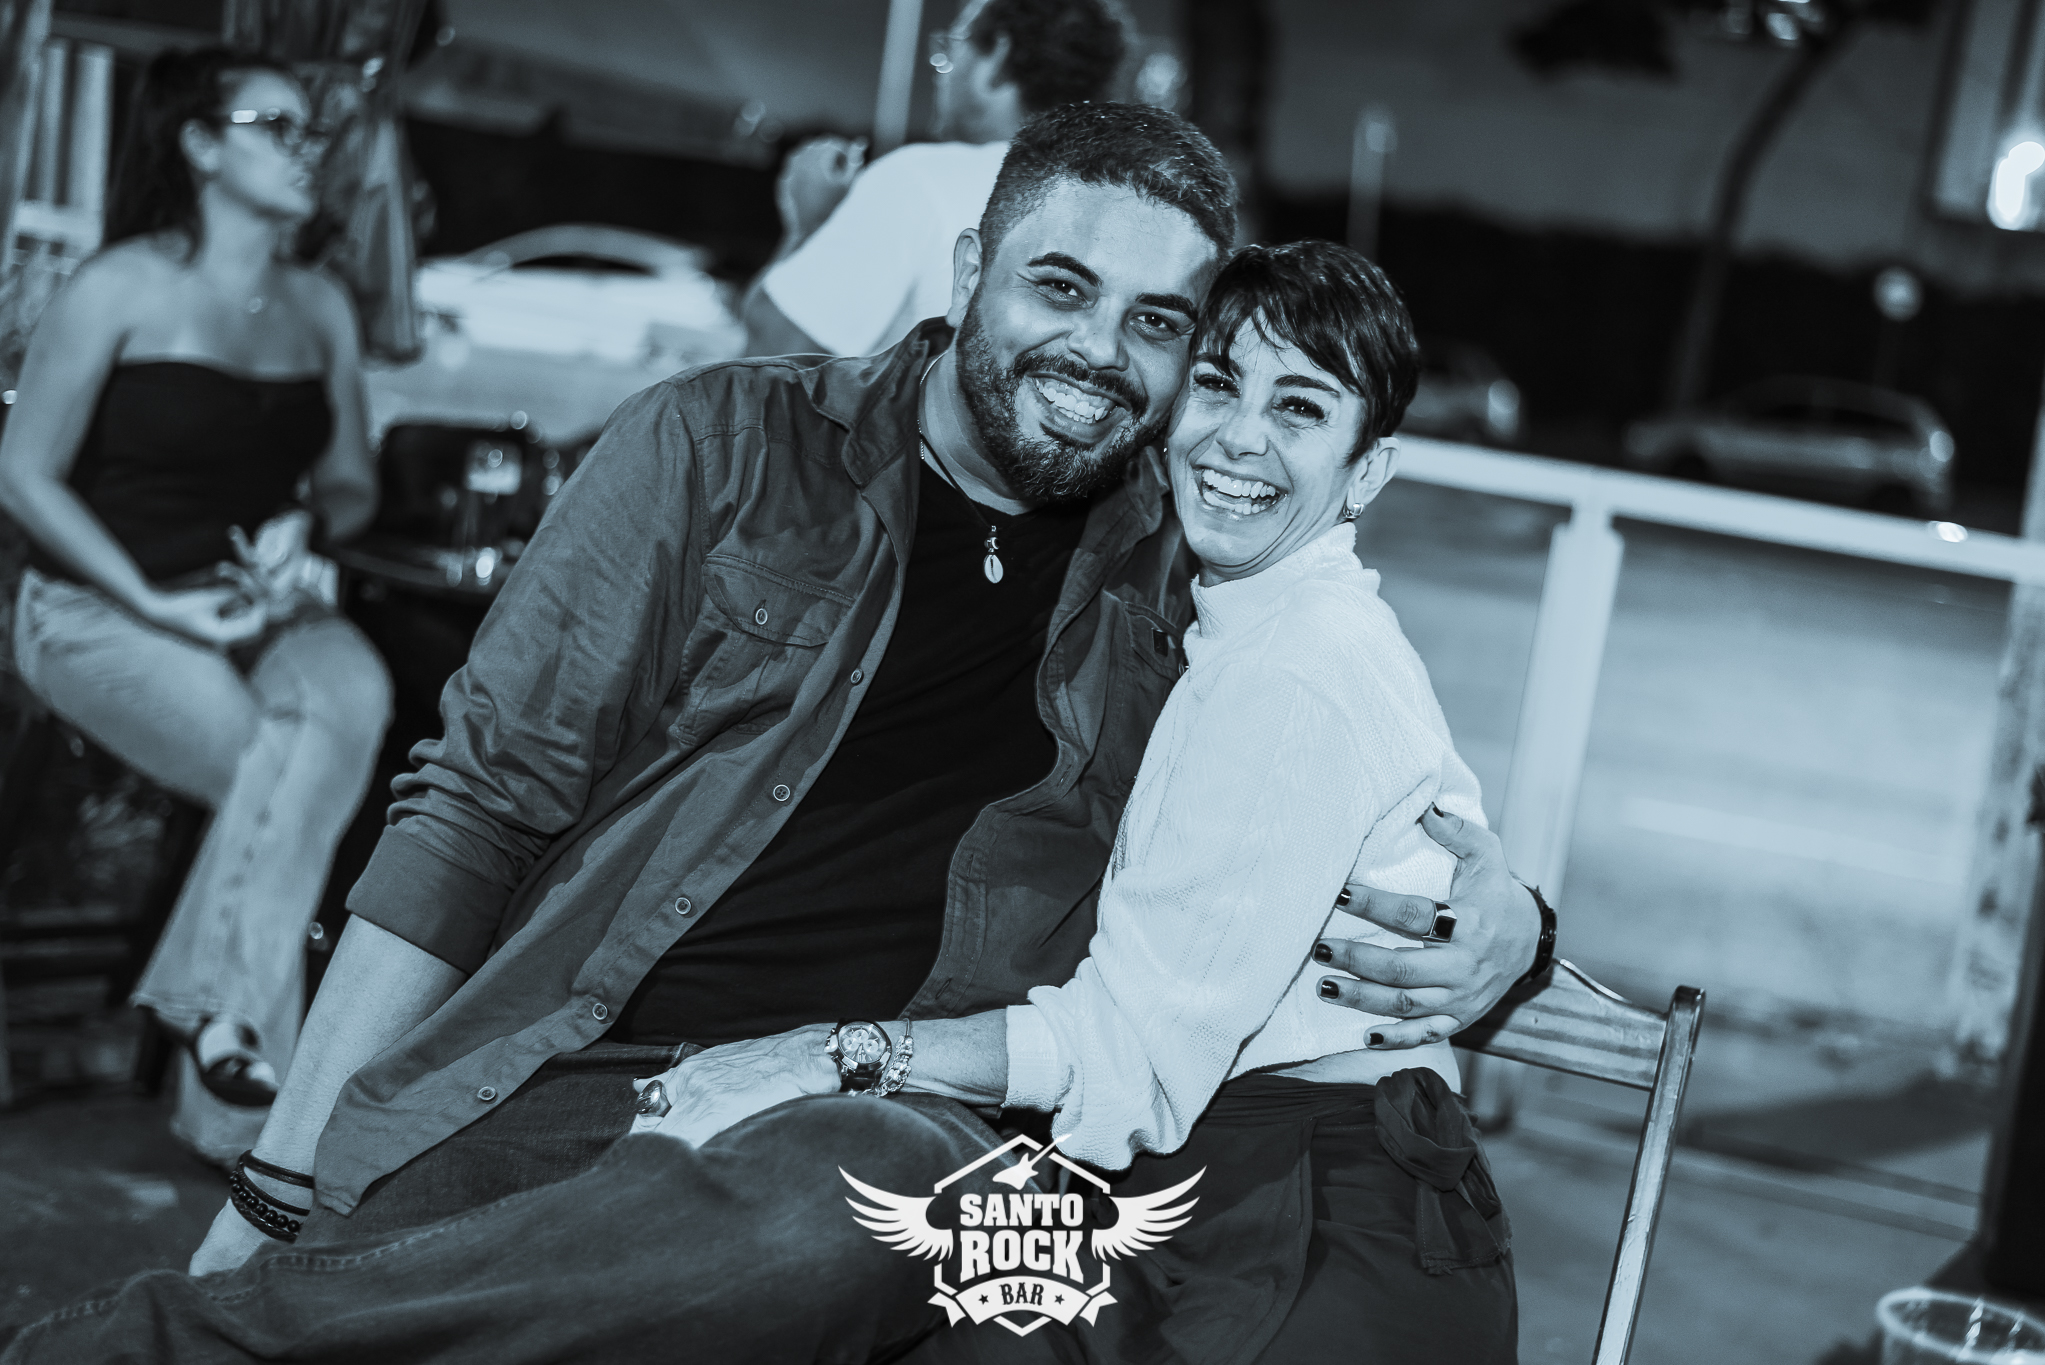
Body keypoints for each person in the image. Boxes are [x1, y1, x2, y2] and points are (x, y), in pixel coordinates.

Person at [0, 102, 1544, 1364]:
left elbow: (1353, 746)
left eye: (1156, 322)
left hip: (899, 1120)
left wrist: (1516, 922)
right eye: (1059, 288)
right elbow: (473, 811)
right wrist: (279, 1179)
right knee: (395, 1260)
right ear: (970, 269)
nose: (1099, 352)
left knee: (867, 1204)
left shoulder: (1186, 556)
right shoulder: (721, 447)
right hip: (591, 1069)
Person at [636, 238, 1520, 1363]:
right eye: (1217, 384)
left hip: (1312, 1222)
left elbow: (1126, 1060)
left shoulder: (1295, 666)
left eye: (1298, 408)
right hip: (1229, 1179)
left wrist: (826, 1054)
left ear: (1367, 470)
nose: (1239, 437)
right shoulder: (1247, 625)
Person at [0, 49, 391, 1164]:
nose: (307, 149)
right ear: (201, 144)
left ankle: (222, 1019)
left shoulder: (321, 306)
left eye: (313, 130)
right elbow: (22, 473)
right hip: (95, 608)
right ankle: (245, 1115)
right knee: (289, 764)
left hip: (251, 605)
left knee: (355, 691)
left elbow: (353, 484)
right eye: (278, 126)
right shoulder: (119, 286)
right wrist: (149, 602)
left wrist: (306, 520)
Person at [742, 0, 1128, 359]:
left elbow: (770, 360)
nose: (943, 74)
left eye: (952, 49)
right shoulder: (1109, 208)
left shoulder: (920, 181)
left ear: (996, 57)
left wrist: (807, 227)